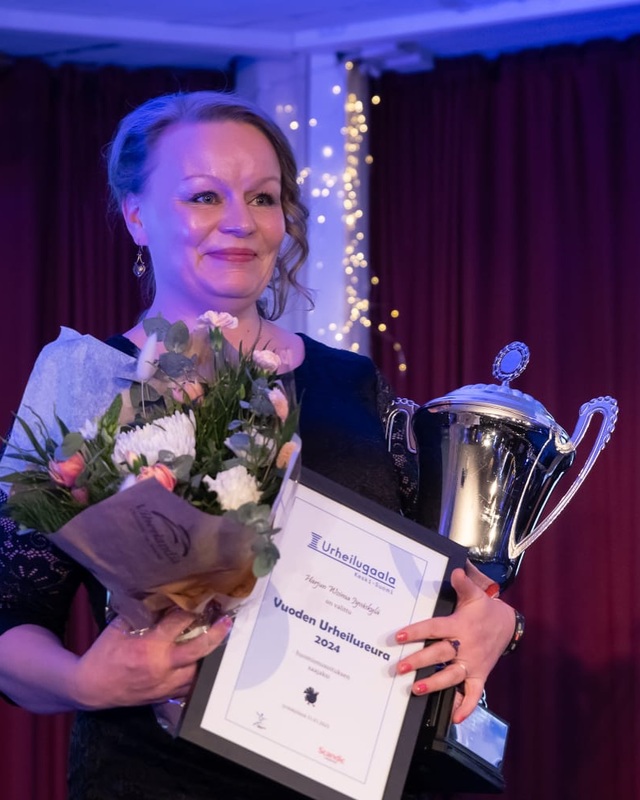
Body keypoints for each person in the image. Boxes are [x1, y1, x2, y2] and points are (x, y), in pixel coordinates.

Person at [0, 90, 520, 799]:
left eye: (263, 197)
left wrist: (494, 621)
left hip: (351, 772)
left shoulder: (350, 381)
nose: (241, 222)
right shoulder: (88, 382)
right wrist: (86, 682)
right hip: (158, 780)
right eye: (203, 196)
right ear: (136, 216)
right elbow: (10, 621)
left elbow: (437, 578)